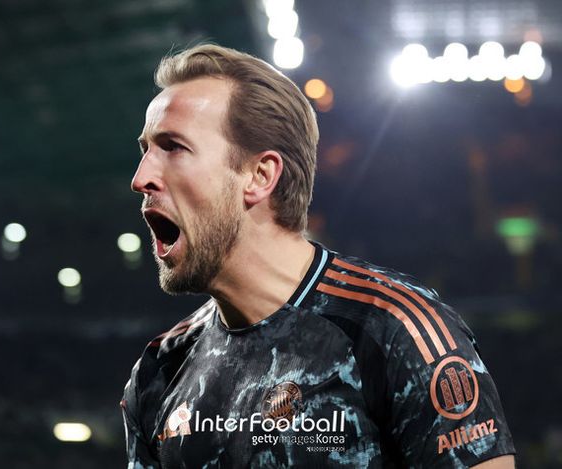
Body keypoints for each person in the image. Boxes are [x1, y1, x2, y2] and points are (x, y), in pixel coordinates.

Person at [121, 43, 516, 468]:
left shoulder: (398, 332)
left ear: (260, 176)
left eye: (173, 147)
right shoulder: (161, 369)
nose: (140, 178)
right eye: (146, 150)